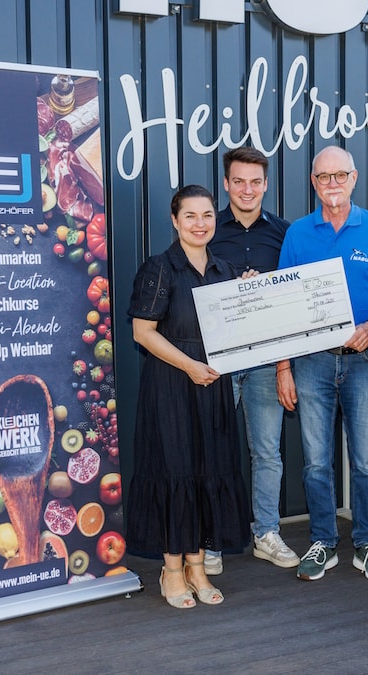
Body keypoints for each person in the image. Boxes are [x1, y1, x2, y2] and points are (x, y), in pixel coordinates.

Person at [277, 146, 368, 582]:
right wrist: (283, 368)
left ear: (353, 179)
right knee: (315, 461)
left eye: (339, 176)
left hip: (365, 361)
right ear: (313, 183)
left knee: (366, 460)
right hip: (311, 363)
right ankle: (324, 541)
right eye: (323, 177)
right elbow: (282, 306)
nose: (332, 184)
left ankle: (367, 541)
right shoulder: (298, 234)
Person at [126, 184, 251, 609]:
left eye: (208, 215)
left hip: (212, 386)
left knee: (208, 469)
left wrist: (255, 295)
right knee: (174, 470)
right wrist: (190, 366)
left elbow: (244, 326)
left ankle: (198, 566)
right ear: (175, 220)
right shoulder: (160, 268)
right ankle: (172, 569)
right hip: (171, 386)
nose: (201, 224)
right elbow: (142, 333)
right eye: (191, 216)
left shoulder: (226, 269)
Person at [205, 147, 298, 574]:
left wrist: (284, 366)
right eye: (238, 181)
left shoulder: (284, 233)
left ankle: (266, 532)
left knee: (267, 452)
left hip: (265, 360)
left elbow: (295, 296)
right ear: (227, 184)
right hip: (218, 362)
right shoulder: (208, 228)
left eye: (255, 182)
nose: (247, 189)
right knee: (213, 451)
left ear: (265, 184)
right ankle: (211, 539)